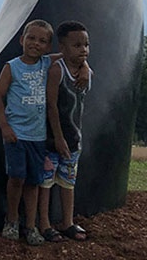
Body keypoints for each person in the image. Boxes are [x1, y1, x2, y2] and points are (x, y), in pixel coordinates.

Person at [0, 19, 54, 246]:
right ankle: (12, 220)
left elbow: (65, 57)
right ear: (21, 40)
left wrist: (84, 66)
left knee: (34, 181)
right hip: (16, 134)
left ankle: (31, 225)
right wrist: (4, 127)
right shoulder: (12, 66)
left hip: (38, 136)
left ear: (48, 47)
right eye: (31, 38)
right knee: (17, 177)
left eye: (42, 41)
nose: (35, 44)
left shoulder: (46, 64)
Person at [38, 20, 92, 242]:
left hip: (73, 140)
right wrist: (58, 138)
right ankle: (44, 223)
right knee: (46, 182)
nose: (83, 50)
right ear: (63, 47)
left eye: (86, 45)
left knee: (68, 182)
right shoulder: (56, 71)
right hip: (53, 140)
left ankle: (68, 222)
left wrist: (86, 67)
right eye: (77, 45)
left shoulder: (84, 72)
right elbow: (51, 106)